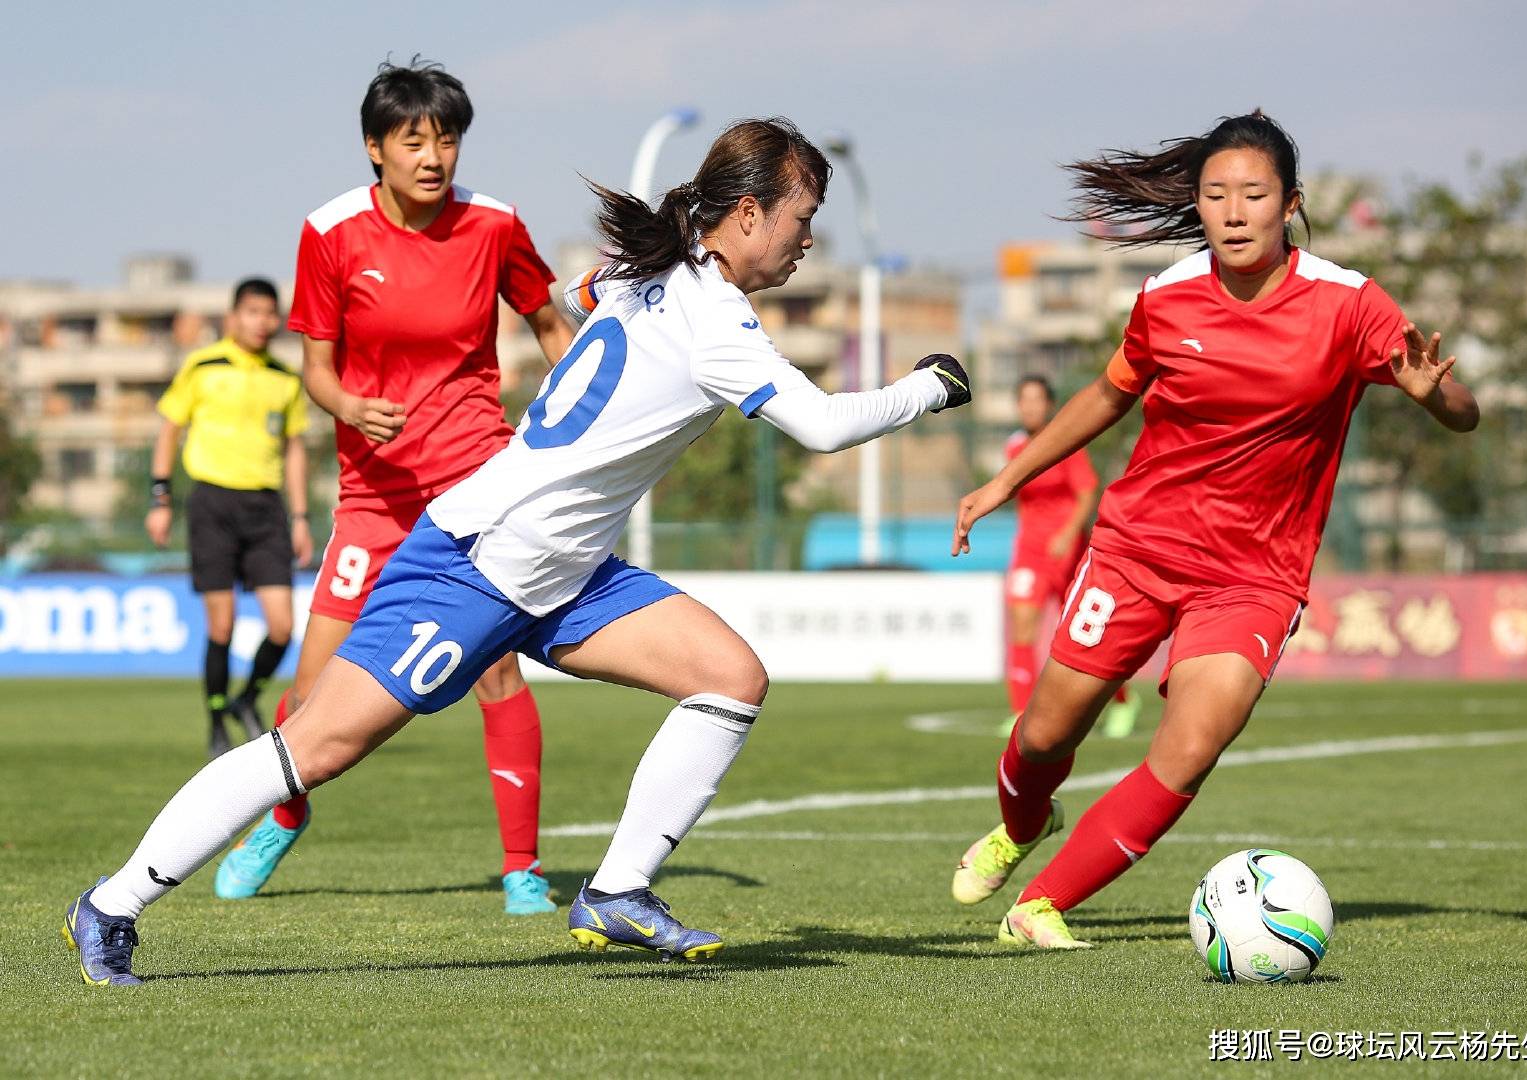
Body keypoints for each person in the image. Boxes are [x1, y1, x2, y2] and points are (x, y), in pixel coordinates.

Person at [62, 117, 972, 984]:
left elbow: (579, 301)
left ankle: (616, 890)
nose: (808, 240)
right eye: (802, 220)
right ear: (747, 216)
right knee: (314, 748)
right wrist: (930, 388)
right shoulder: (712, 317)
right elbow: (818, 425)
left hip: (564, 570)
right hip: (478, 561)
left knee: (729, 676)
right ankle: (109, 904)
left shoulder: (645, 272)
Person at [949, 111, 1477, 949]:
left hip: (1254, 579)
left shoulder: (1350, 304)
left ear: (1290, 204)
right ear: (1197, 205)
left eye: (1254, 195)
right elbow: (1106, 394)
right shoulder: (1166, 297)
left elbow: (1461, 412)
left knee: (1191, 747)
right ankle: (1021, 826)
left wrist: (1433, 393)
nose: (1234, 212)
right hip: (1136, 552)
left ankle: (1041, 904)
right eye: (1216, 195)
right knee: (1046, 733)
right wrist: (1006, 480)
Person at [210, 60, 575, 917]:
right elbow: (317, 370)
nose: (434, 155)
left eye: (447, 137)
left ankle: (521, 868)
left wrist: (588, 412)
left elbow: (551, 323)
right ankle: (284, 814)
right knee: (310, 695)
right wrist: (351, 408)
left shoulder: (494, 225)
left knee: (497, 671)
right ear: (374, 147)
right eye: (414, 139)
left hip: (478, 484)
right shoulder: (331, 232)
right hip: (374, 497)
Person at [146, 278, 314, 759]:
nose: (263, 322)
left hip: (266, 509)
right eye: (253, 312)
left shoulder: (284, 377)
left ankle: (246, 698)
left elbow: (295, 448)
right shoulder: (203, 366)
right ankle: (216, 718)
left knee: (282, 626)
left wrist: (300, 516)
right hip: (211, 505)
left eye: (270, 313)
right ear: (233, 315)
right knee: (220, 626)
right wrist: (160, 499)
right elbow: (168, 430)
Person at [1000, 375, 1139, 741]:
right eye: (1024, 400)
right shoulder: (1014, 449)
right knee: (1022, 623)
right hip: (1030, 552)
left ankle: (1123, 701)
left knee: (1083, 639)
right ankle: (1020, 712)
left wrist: (1066, 533)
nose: (1030, 407)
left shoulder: (1065, 442)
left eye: (1036, 400)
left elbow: (1087, 491)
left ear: (1048, 405)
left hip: (1067, 553)